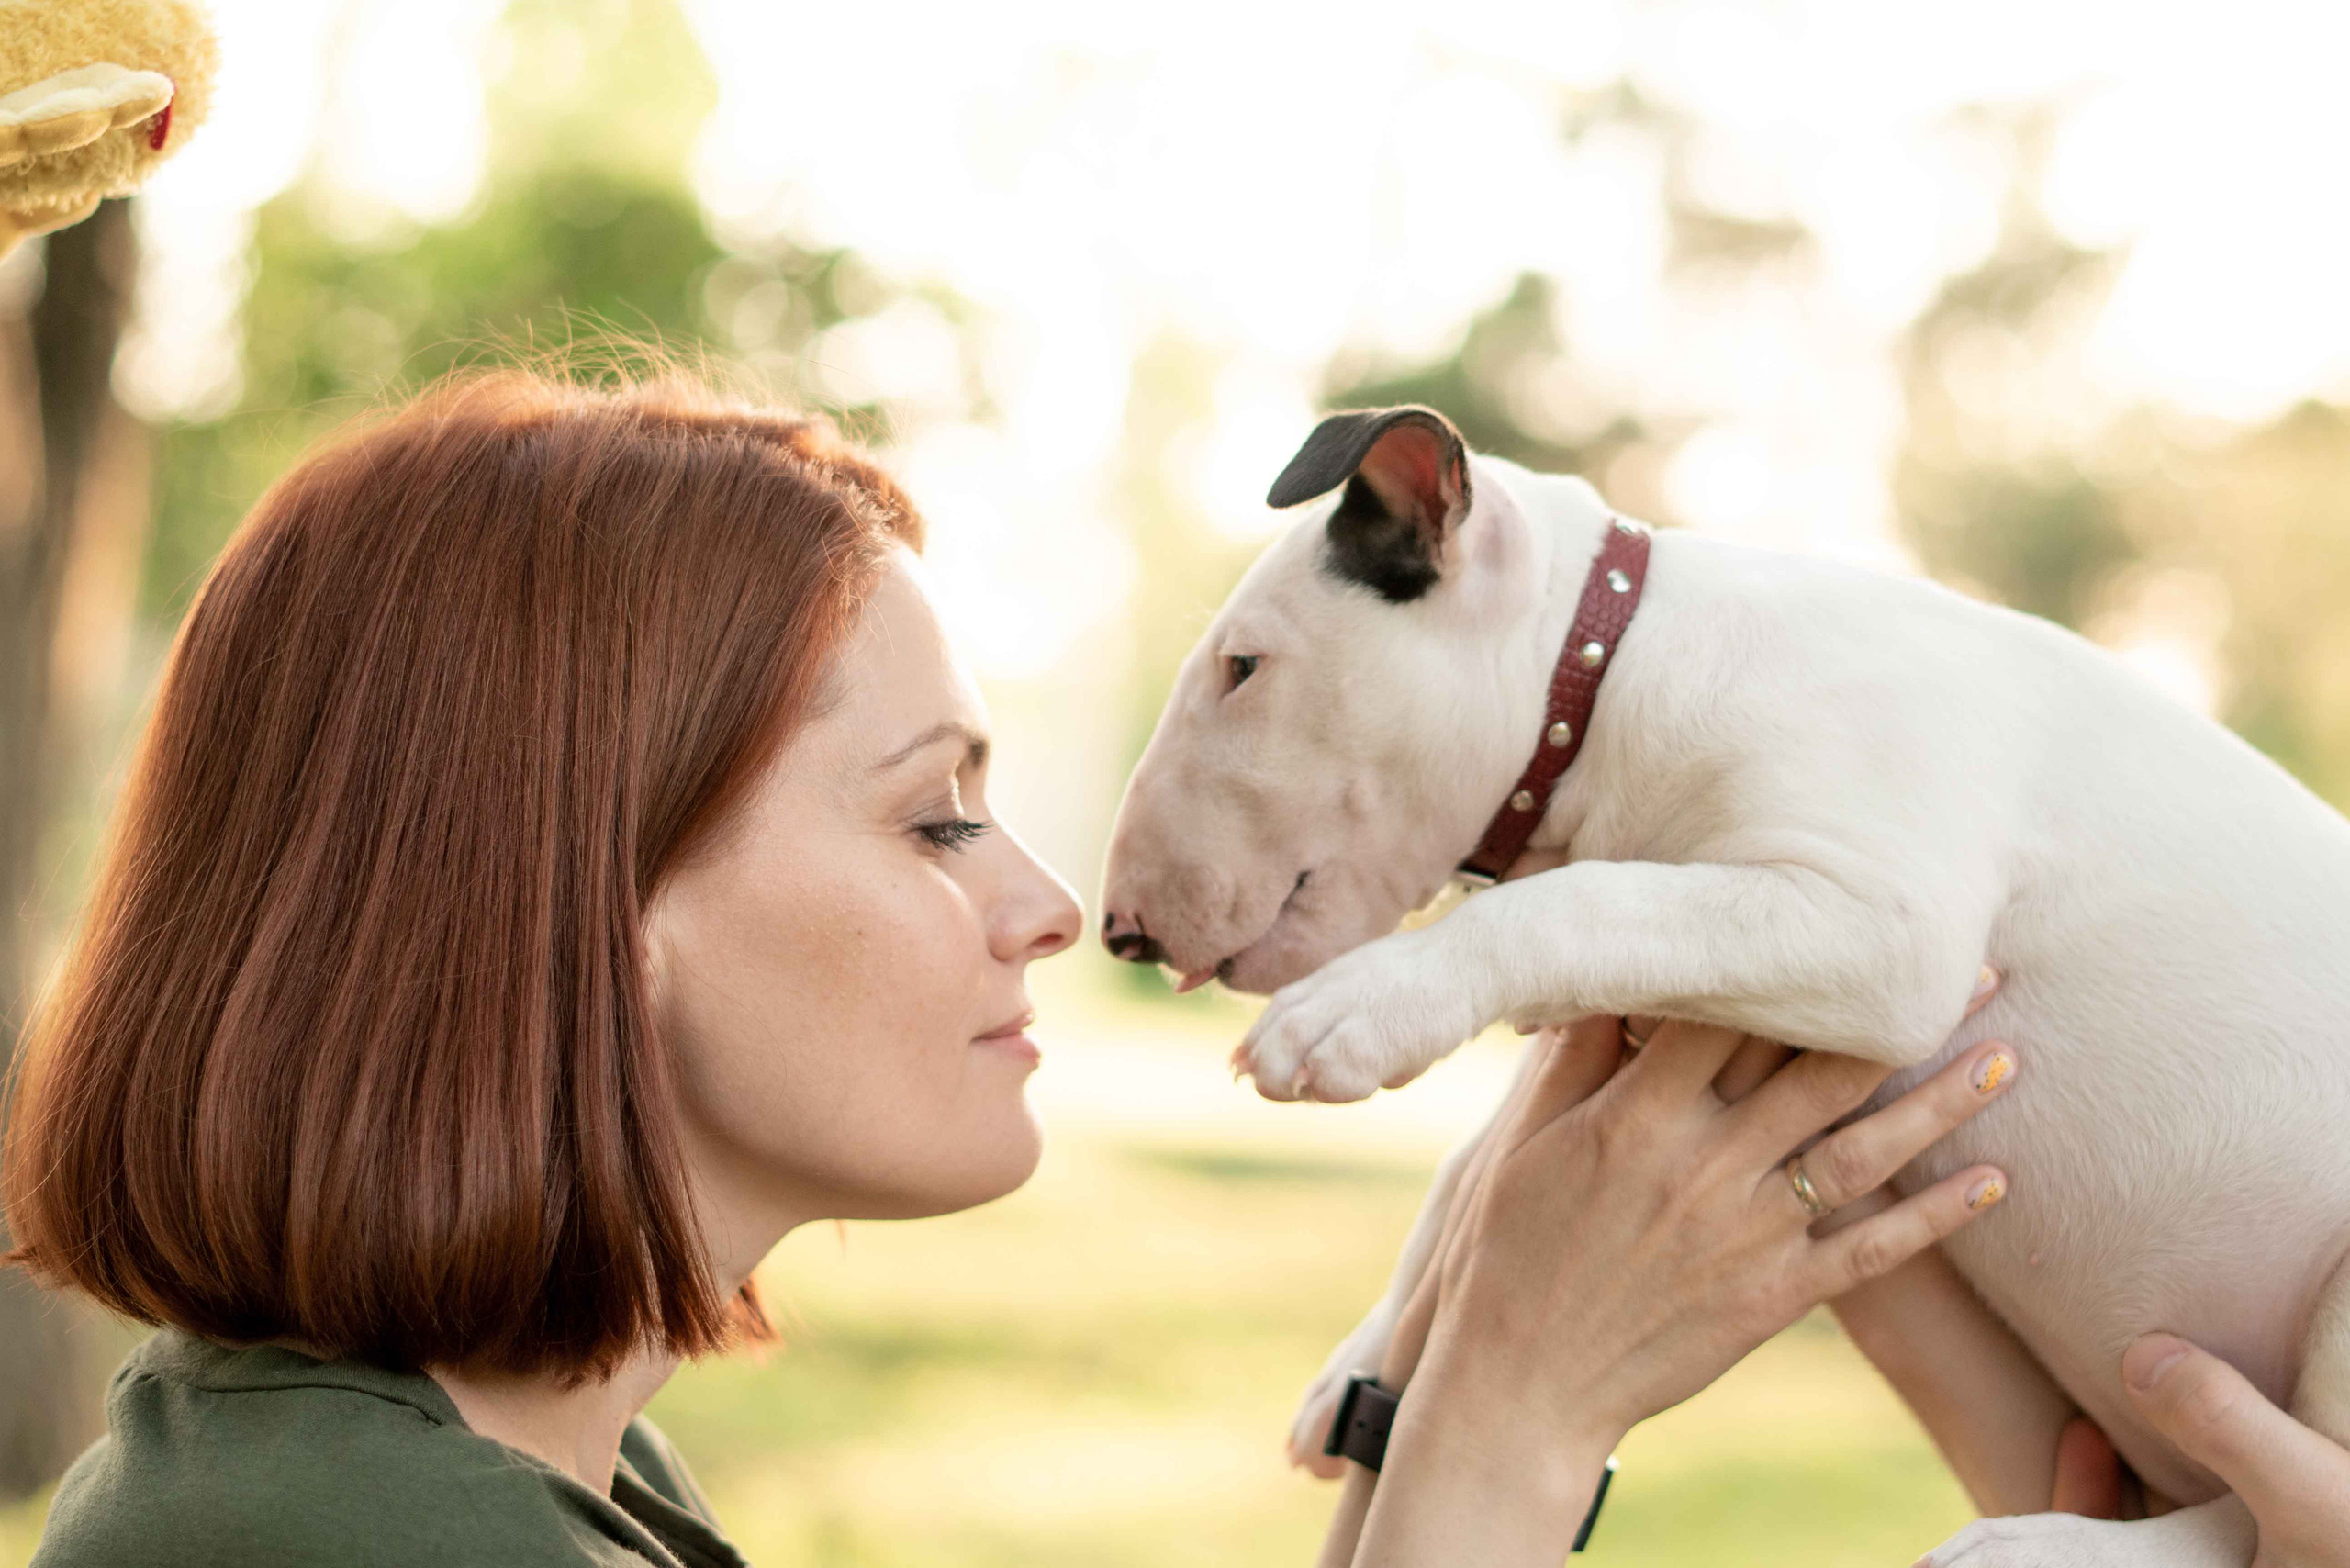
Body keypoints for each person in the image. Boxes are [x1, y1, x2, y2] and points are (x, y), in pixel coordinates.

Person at [3, 365, 2018, 1567]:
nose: (1051, 901)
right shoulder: (372, 1552)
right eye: (932, 810)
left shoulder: (477, 1470)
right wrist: (1508, 1420)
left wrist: (1484, 1376)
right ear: (569, 898)